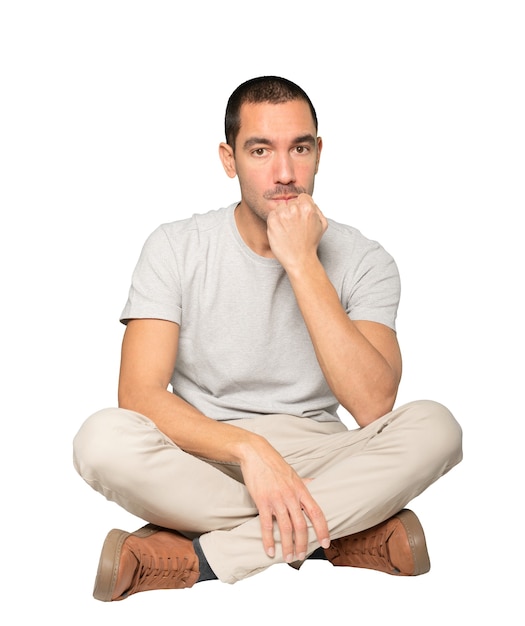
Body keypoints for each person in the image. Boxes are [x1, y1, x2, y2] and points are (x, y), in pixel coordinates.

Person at [73, 76, 463, 602]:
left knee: (437, 428)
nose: (284, 173)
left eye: (299, 148)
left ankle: (202, 558)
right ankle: (338, 534)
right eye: (260, 150)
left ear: (319, 153)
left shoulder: (367, 260)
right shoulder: (174, 247)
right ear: (229, 159)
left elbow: (374, 405)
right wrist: (249, 449)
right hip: (209, 457)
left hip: (325, 453)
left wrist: (302, 262)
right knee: (100, 440)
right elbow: (140, 397)